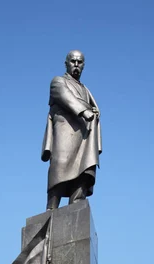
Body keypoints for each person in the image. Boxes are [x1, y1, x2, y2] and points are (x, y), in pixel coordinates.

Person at [41, 50, 102, 210]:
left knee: (84, 173)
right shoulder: (58, 81)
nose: (76, 64)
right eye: (73, 61)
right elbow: (65, 96)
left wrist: (94, 112)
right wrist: (85, 111)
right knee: (59, 169)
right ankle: (51, 209)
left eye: (79, 62)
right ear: (66, 63)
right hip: (65, 132)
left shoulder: (86, 89)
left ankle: (76, 207)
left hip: (85, 135)